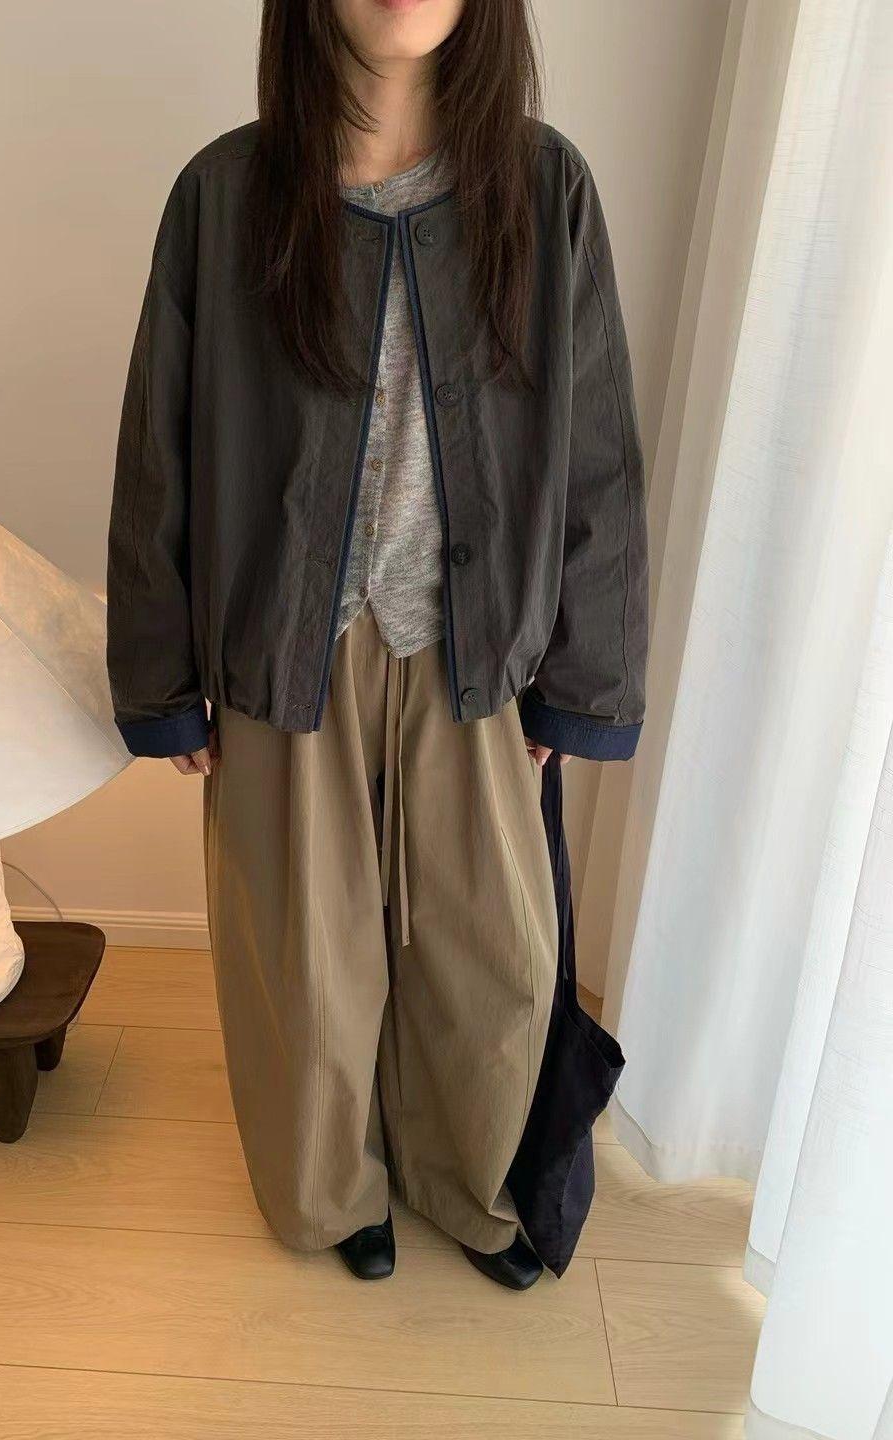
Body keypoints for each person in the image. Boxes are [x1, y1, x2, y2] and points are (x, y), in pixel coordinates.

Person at [106, 0, 647, 1289]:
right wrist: (163, 679)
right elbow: (159, 448)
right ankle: (329, 1192)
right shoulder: (226, 194)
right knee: (304, 958)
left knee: (493, 954)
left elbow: (599, 456)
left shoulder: (544, 187)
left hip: (479, 646)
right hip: (285, 643)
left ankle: (469, 1180)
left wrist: (582, 685)